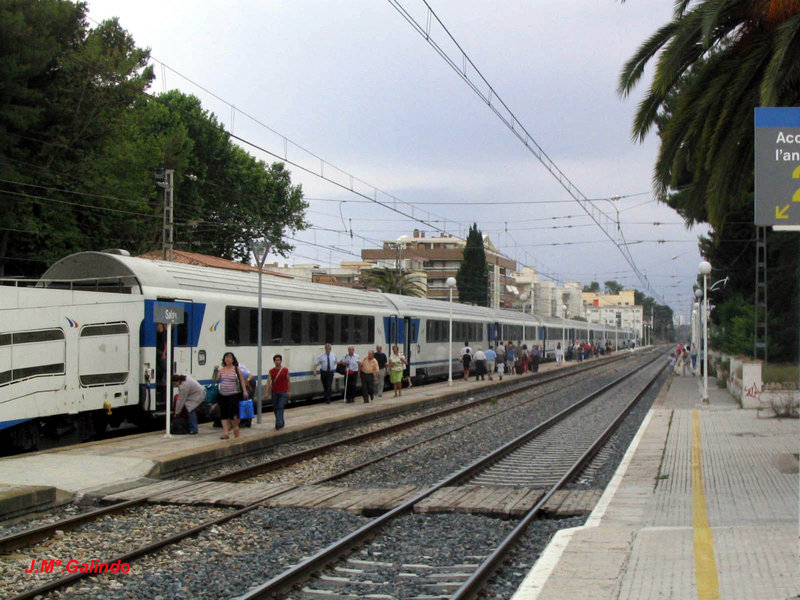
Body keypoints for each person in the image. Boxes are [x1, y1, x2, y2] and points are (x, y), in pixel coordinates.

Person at [213, 352, 249, 440]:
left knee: (233, 414)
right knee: (224, 414)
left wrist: (244, 391)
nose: (227, 359)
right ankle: (226, 433)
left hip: (234, 395)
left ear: (233, 359)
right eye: (225, 357)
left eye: (229, 357)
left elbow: (242, 381)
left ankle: (235, 427)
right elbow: (215, 379)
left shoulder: (236, 370)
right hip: (223, 395)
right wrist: (215, 371)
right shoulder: (221, 370)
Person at [265, 354, 290, 430]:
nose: (277, 361)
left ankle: (278, 423)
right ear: (274, 361)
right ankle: (281, 421)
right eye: (276, 360)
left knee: (280, 407)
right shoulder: (271, 371)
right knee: (276, 408)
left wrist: (288, 392)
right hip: (274, 392)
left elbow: (288, 381)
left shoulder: (285, 370)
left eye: (278, 360)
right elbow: (269, 381)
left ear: (281, 361)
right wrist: (266, 391)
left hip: (283, 392)